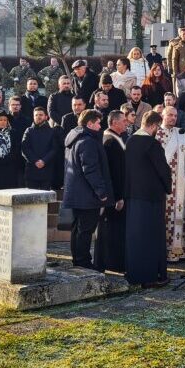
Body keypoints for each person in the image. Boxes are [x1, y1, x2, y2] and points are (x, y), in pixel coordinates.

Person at [124, 111, 172, 287]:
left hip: (133, 195)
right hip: (151, 197)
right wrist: (168, 187)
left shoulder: (130, 141)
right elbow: (163, 170)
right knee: (151, 237)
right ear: (153, 125)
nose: (157, 131)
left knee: (136, 236)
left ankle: (135, 274)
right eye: (157, 127)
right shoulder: (151, 144)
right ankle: (152, 276)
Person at [62, 109, 113, 269]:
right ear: (90, 123)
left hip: (76, 193)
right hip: (87, 195)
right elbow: (90, 169)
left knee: (78, 229)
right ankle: (83, 262)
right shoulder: (87, 142)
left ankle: (78, 260)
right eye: (98, 123)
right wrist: (101, 192)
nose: (100, 126)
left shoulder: (75, 138)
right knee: (85, 230)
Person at [155, 106, 185, 262]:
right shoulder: (155, 134)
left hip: (180, 182)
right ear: (162, 115)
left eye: (175, 115)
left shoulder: (181, 134)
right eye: (169, 115)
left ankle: (180, 249)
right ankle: (164, 250)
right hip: (163, 183)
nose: (173, 118)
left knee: (180, 214)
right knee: (164, 216)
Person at [95, 111, 128, 273]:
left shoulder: (112, 138)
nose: (126, 123)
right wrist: (119, 196)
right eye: (123, 121)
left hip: (113, 194)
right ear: (114, 122)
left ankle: (113, 261)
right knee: (110, 230)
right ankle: (111, 262)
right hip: (113, 196)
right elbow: (114, 172)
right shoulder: (110, 141)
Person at [20, 107, 57, 190]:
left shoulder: (52, 131)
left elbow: (54, 149)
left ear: (46, 117)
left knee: (45, 199)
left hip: (47, 170)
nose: (38, 117)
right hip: (31, 170)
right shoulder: (28, 131)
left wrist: (44, 161)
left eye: (41, 115)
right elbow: (24, 148)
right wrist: (35, 161)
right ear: (33, 117)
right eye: (36, 115)